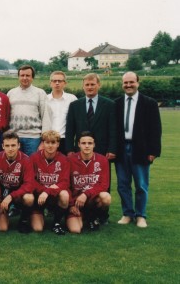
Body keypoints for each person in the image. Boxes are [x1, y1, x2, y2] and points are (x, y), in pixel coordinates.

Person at [65, 73, 116, 223]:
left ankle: (102, 215)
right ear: (83, 86)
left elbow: (113, 129)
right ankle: (79, 208)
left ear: (98, 85)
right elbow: (70, 130)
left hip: (102, 151)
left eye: (93, 84)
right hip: (79, 151)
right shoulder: (75, 105)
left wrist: (112, 149)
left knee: (102, 184)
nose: (90, 87)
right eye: (87, 84)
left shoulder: (109, 104)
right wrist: (69, 150)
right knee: (79, 181)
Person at [115, 72, 162, 228]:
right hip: (121, 149)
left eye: (131, 82)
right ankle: (127, 213)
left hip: (141, 149)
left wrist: (153, 152)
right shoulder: (117, 103)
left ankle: (141, 215)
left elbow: (156, 129)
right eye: (125, 83)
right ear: (122, 84)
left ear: (138, 83)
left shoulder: (149, 103)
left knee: (141, 185)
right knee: (123, 184)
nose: (128, 85)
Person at [0, 131, 36, 233]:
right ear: (2, 146)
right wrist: (0, 199)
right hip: (2, 193)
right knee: (3, 228)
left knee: (29, 198)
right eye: (7, 145)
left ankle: (23, 221)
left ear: (19, 145)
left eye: (13, 145)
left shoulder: (26, 160)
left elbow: (29, 185)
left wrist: (11, 196)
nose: (10, 149)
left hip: (18, 194)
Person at [67, 131, 112, 233]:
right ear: (78, 144)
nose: (87, 146)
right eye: (83, 143)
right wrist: (71, 205)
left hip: (91, 199)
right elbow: (66, 185)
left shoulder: (103, 160)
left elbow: (104, 185)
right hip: (75, 201)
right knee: (75, 230)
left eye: (90, 143)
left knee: (106, 197)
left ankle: (93, 217)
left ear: (94, 144)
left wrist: (85, 194)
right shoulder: (70, 160)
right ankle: (82, 217)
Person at [30, 130, 70, 235]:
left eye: (53, 143)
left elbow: (65, 182)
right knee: (38, 228)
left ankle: (56, 223)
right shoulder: (34, 157)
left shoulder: (64, 159)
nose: (50, 146)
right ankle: (35, 214)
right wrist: (43, 191)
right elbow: (31, 181)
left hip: (54, 196)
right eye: (47, 142)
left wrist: (47, 191)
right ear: (43, 143)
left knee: (65, 195)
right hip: (39, 197)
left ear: (58, 144)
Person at [7, 65, 46, 156]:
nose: (25, 78)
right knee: (16, 166)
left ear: (32, 77)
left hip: (33, 138)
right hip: (14, 137)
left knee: (32, 166)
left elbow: (45, 117)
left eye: (28, 75)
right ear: (18, 77)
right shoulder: (11, 93)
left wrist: (44, 141)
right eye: (22, 75)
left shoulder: (40, 93)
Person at [41, 71, 77, 154]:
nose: (57, 83)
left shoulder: (72, 99)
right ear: (50, 83)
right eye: (54, 81)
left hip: (66, 140)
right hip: (48, 140)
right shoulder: (44, 100)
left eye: (60, 81)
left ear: (65, 83)